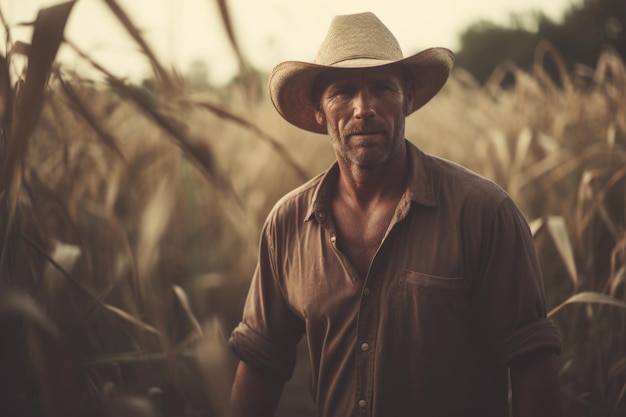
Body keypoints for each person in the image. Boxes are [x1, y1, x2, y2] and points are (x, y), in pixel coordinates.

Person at [228, 11, 562, 417]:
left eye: (382, 88)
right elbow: (261, 360)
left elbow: (531, 360)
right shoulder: (287, 224)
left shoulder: (483, 213)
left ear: (408, 98)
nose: (363, 108)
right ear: (320, 110)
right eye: (343, 92)